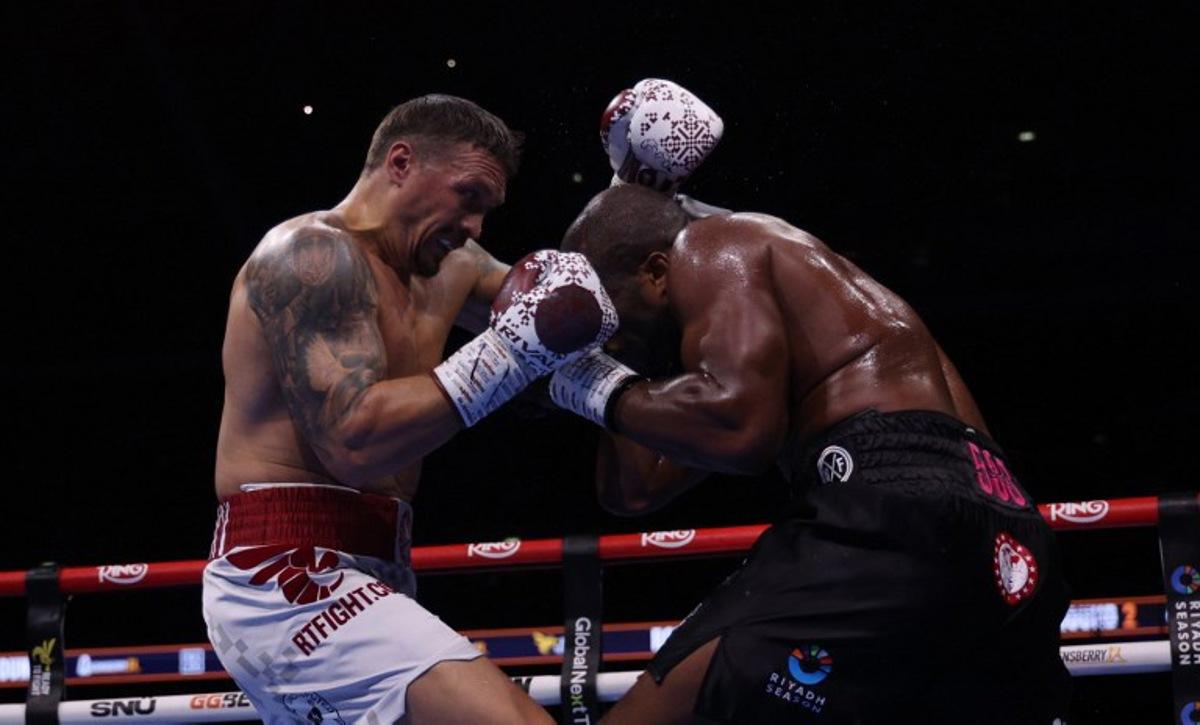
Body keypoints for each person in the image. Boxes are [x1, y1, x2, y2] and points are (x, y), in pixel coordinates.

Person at [549, 182, 1072, 720]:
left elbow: (739, 431)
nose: (613, 342)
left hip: (893, 509)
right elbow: (634, 488)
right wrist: (586, 359)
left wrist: (595, 386)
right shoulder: (807, 318)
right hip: (1010, 537)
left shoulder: (714, 243)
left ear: (657, 271)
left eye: (610, 320)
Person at [203, 94, 616, 724]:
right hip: (286, 571)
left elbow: (550, 333)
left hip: (381, 559)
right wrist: (511, 352)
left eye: (487, 209)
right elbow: (353, 442)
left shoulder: (452, 264)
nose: (476, 226)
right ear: (400, 163)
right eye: (468, 196)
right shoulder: (308, 259)